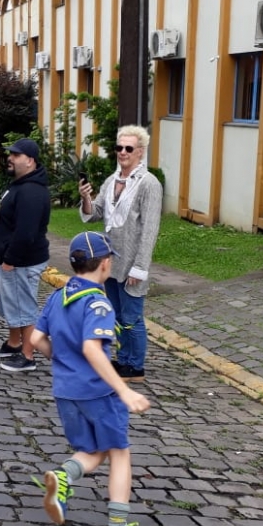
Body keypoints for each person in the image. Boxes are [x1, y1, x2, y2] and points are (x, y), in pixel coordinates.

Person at [32, 231, 152, 526]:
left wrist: (61, 360)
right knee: (119, 453)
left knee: (93, 451)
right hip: (97, 392)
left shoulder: (57, 296)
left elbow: (35, 340)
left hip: (65, 391)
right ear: (105, 263)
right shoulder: (99, 302)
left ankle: (63, 478)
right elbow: (92, 348)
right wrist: (124, 391)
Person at [78, 125, 162, 381]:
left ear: (140, 152)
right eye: (119, 148)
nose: (122, 153)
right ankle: (124, 360)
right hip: (112, 260)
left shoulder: (149, 184)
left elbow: (150, 229)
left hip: (133, 262)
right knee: (117, 314)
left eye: (128, 148)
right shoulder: (111, 181)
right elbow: (96, 215)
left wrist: (140, 267)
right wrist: (86, 198)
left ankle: (135, 366)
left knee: (132, 316)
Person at [0, 138, 51, 373]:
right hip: (12, 259)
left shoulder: (31, 192)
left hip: (21, 261)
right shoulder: (20, 184)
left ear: (30, 160)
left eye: (16, 155)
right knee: (12, 305)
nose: (10, 158)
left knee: (24, 307)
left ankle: (28, 356)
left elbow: (26, 233)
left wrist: (10, 259)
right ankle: (15, 344)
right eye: (11, 154)